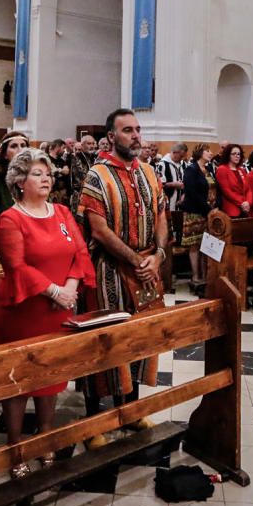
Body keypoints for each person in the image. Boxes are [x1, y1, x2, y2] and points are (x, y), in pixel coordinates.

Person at [0, 148, 94, 477]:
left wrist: (71, 288)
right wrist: (56, 291)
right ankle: (15, 446)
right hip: (24, 312)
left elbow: (79, 250)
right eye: (37, 174)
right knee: (19, 381)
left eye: (48, 174)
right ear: (20, 181)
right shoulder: (11, 218)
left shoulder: (62, 212)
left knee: (52, 377)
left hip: (58, 310)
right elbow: (16, 266)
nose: (46, 178)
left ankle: (46, 436)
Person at [78, 109, 167, 448]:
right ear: (111, 136)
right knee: (105, 343)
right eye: (127, 130)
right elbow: (99, 230)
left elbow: (161, 214)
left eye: (138, 129)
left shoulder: (148, 172)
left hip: (146, 267)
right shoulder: (97, 175)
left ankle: (129, 412)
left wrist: (157, 256)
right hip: (109, 271)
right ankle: (93, 422)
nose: (135, 135)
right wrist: (135, 259)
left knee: (140, 338)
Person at [180, 144, 217, 289]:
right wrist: (207, 208)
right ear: (200, 153)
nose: (210, 153)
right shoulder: (191, 169)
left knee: (205, 245)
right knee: (194, 245)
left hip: (209, 213)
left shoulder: (208, 169)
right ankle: (196, 276)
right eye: (207, 151)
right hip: (195, 212)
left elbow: (214, 189)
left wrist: (215, 206)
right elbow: (192, 192)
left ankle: (205, 274)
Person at [0, 131, 30, 216]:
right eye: (14, 146)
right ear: (5, 154)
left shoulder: (35, 177)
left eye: (23, 145)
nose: (20, 150)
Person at [215, 143, 250, 218]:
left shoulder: (242, 170)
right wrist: (242, 202)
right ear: (228, 155)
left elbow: (248, 189)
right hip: (231, 209)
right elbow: (227, 191)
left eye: (239, 154)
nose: (237, 156)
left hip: (245, 208)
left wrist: (248, 202)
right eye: (234, 154)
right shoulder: (222, 169)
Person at [69, 134, 98, 217]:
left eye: (93, 143)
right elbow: (82, 176)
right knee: (79, 221)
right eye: (89, 144)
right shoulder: (76, 158)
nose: (92, 146)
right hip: (79, 195)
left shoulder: (95, 158)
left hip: (94, 195)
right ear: (82, 145)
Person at [156, 142, 188, 213]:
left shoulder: (184, 164)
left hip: (182, 203)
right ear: (174, 152)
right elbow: (159, 184)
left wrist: (184, 194)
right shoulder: (162, 164)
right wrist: (174, 184)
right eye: (181, 156)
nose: (182, 159)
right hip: (168, 203)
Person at [48, 138, 71, 206]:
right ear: (57, 147)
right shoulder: (46, 159)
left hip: (62, 193)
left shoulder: (62, 160)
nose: (64, 150)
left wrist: (57, 170)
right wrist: (60, 170)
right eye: (63, 148)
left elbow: (66, 171)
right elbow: (51, 171)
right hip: (51, 193)